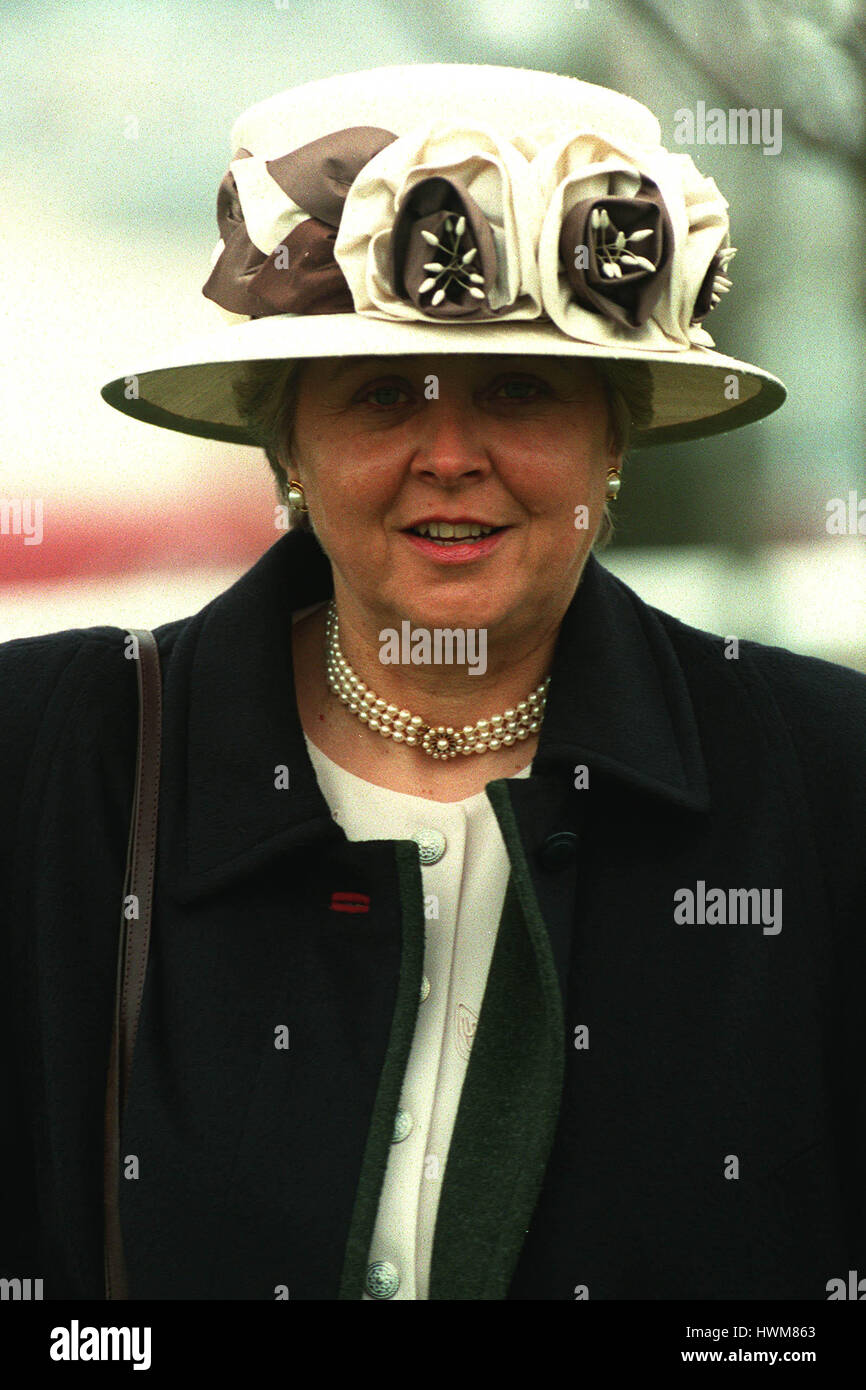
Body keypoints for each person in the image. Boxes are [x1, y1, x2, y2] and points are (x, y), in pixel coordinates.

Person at [1, 62, 863, 1303]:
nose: (449, 455)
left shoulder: (822, 783)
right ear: (284, 441)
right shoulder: (52, 763)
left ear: (611, 437)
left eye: (517, 389)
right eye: (378, 396)